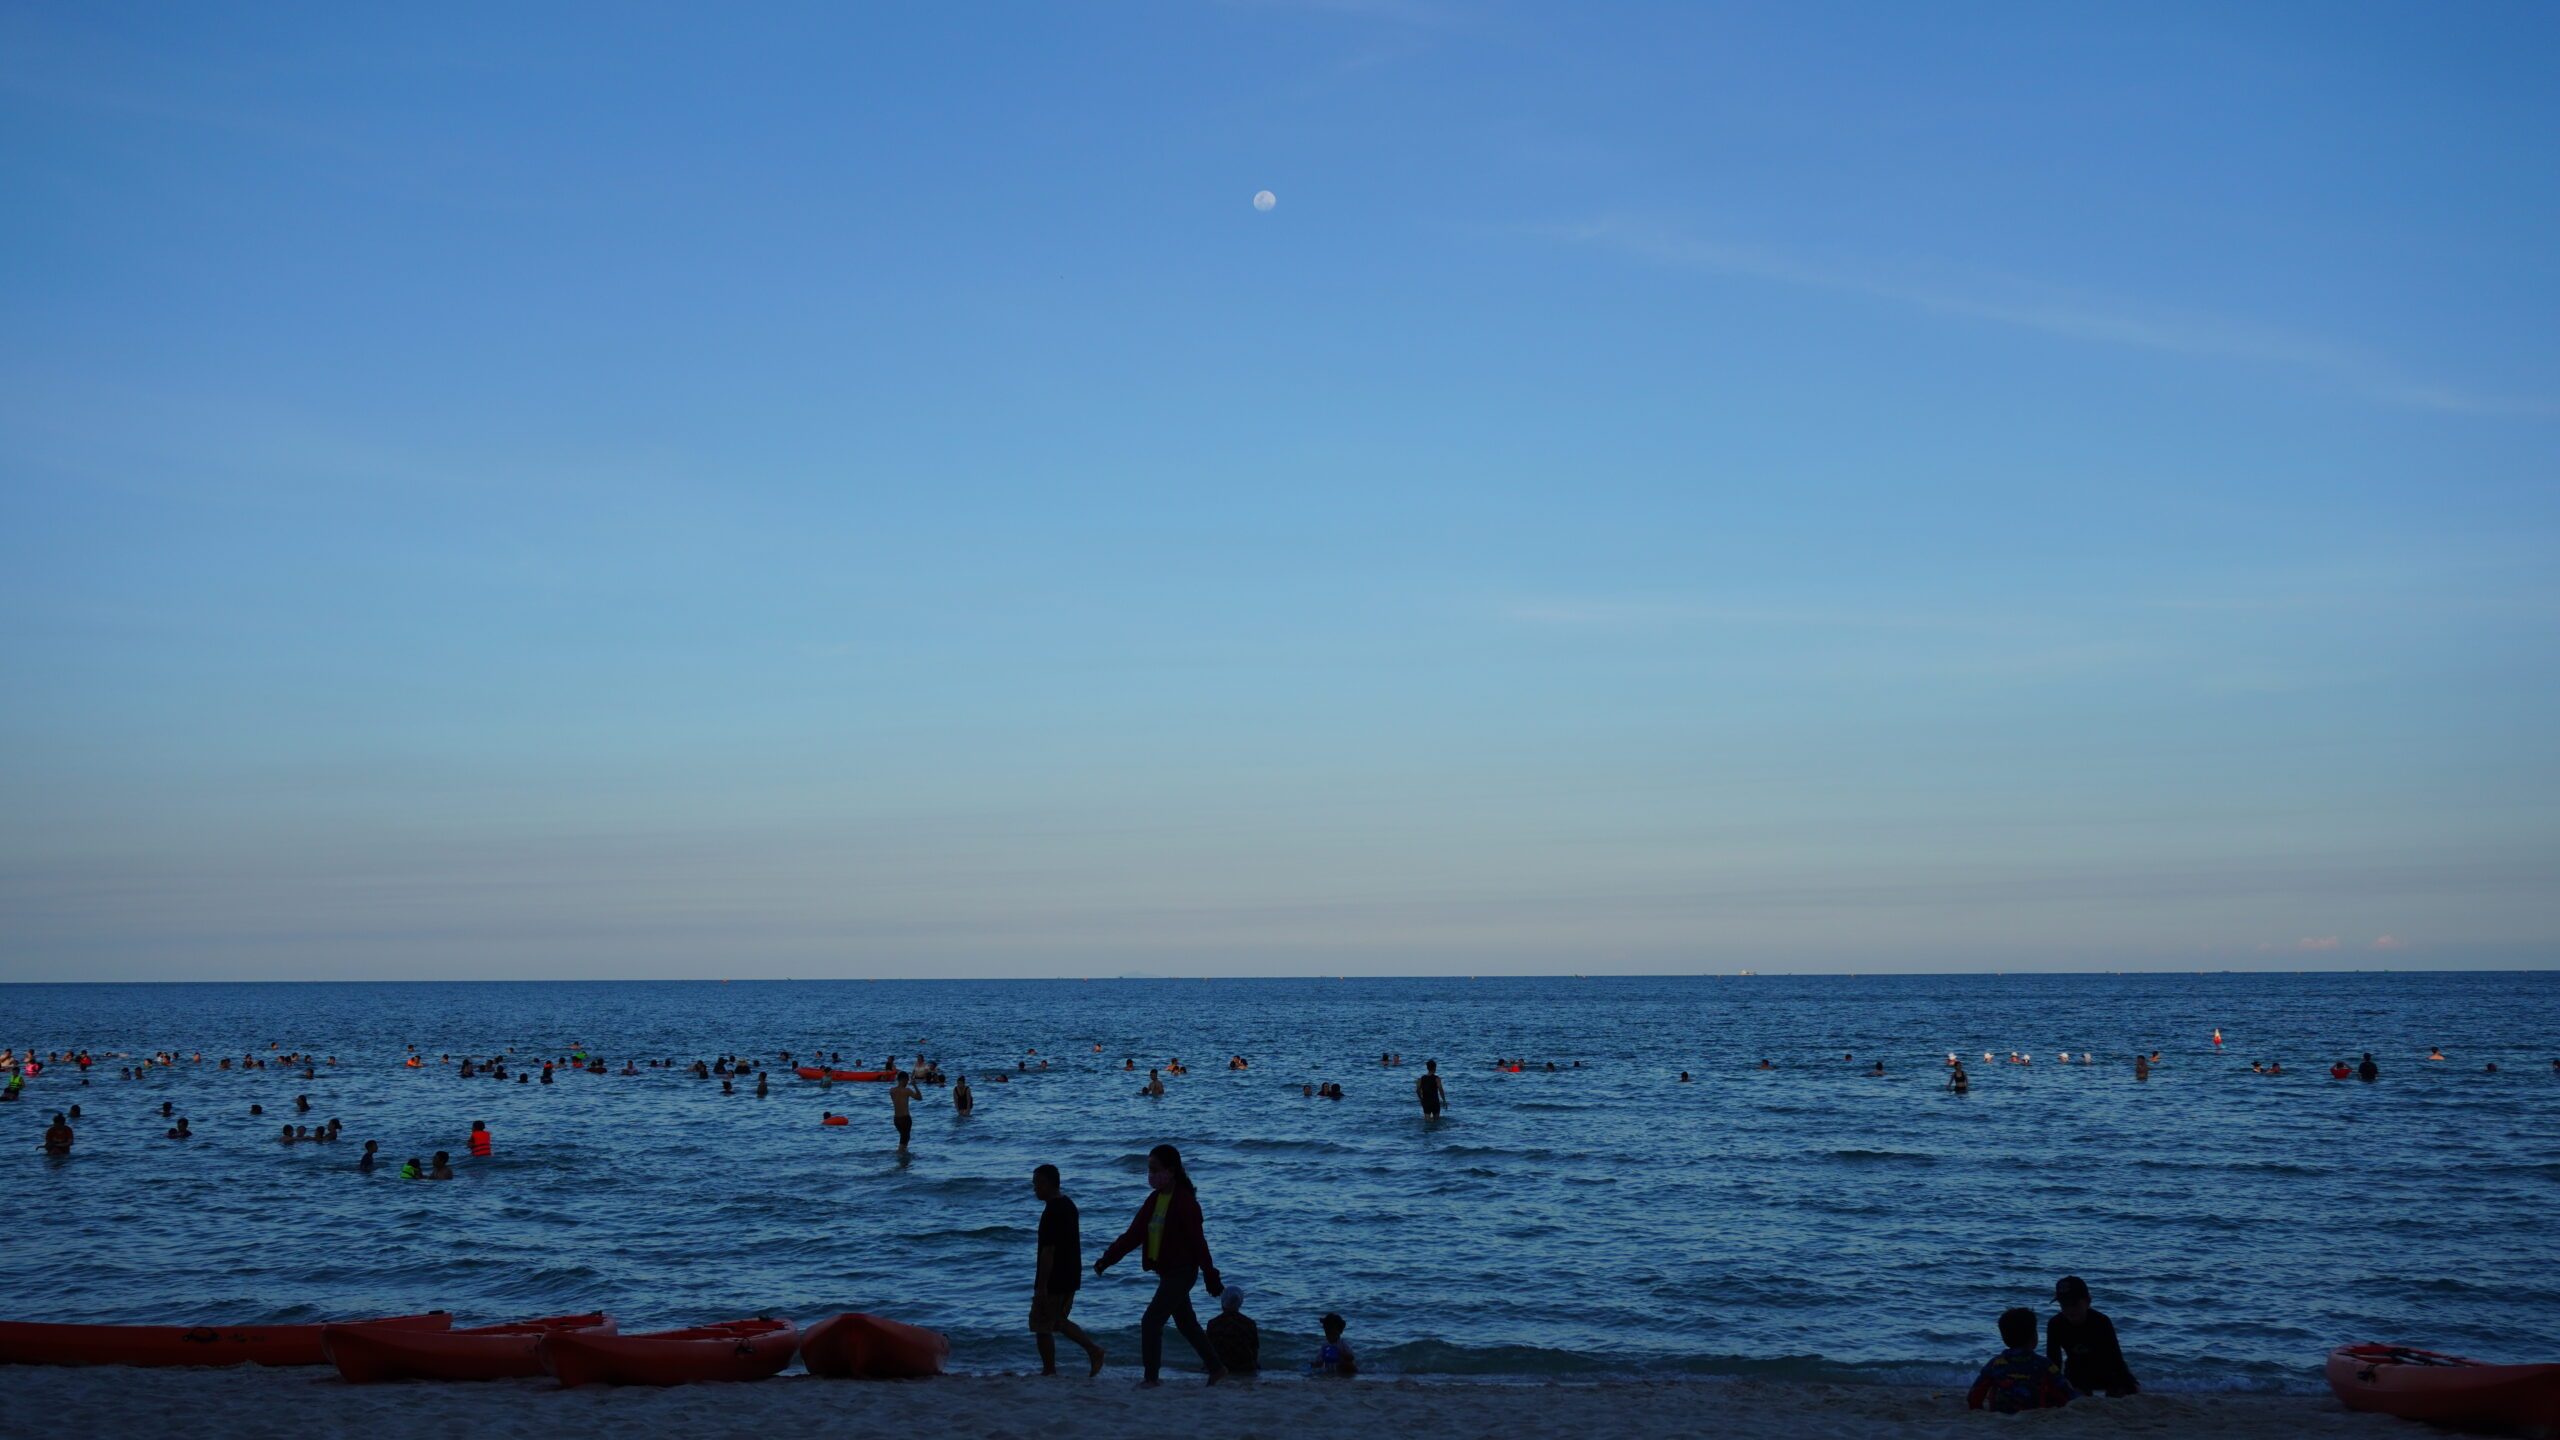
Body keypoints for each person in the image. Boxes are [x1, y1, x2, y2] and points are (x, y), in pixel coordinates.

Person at [1094, 1142, 1227, 1387]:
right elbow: (1134, 1235)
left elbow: (1199, 1244)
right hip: (1167, 1272)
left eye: (1155, 1170)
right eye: (1149, 1170)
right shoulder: (1154, 1200)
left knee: (1151, 1321)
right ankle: (1217, 1368)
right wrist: (1108, 1259)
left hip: (1182, 1272)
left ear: (1171, 1170)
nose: (1151, 1175)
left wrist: (1211, 1275)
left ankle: (1151, 1378)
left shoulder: (1186, 1203)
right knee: (1186, 1323)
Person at [1030, 1164, 1106, 1376]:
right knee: (1057, 1321)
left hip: (1055, 1277)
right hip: (1070, 1274)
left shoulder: (1052, 1212)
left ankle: (1050, 1369)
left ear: (1046, 1184)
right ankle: (1092, 1351)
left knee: (1042, 1325)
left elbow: (1048, 1252)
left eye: (1036, 1185)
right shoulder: (1068, 1205)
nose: (1034, 1189)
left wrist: (1042, 1286)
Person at [1967, 1307, 2074, 1412]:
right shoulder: (2045, 1364)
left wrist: (1979, 1411)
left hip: (1999, 1420)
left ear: (2004, 1339)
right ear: (2034, 1336)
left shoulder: (1995, 1364)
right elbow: (2068, 1395)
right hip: (2034, 1419)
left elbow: (1973, 1396)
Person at [2047, 1277, 2138, 1396]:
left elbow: (2115, 1358)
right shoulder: (2055, 1324)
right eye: (2064, 1305)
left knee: (2125, 1391)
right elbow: (2054, 1361)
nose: (2070, 1310)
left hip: (2106, 1370)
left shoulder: (2101, 1322)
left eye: (2074, 1304)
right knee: (2073, 1395)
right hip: (2076, 1372)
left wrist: (2125, 1383)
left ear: (2088, 1302)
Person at [1206, 1287, 1259, 1375]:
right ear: (1240, 1303)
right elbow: (1255, 1350)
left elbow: (1209, 1349)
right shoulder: (1250, 1323)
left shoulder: (1212, 1323)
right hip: (1245, 1367)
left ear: (1222, 1302)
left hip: (1221, 1366)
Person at [1309, 1312, 1357, 1377]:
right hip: (1330, 1370)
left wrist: (1342, 1354)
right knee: (1317, 1368)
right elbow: (1320, 1360)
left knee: (1347, 1364)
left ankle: (1358, 1373)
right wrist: (1315, 1364)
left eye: (1334, 1334)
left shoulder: (1342, 1344)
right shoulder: (1325, 1346)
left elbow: (1352, 1357)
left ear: (1340, 1332)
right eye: (1327, 1334)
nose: (1330, 1336)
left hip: (1342, 1368)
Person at [890, 1072, 918, 1150]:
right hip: (905, 1118)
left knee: (904, 1138)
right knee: (904, 1139)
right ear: (903, 1080)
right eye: (907, 1080)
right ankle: (900, 1157)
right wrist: (915, 1086)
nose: (907, 1082)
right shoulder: (907, 1091)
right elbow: (919, 1097)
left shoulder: (892, 1090)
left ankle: (903, 1158)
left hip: (896, 1119)